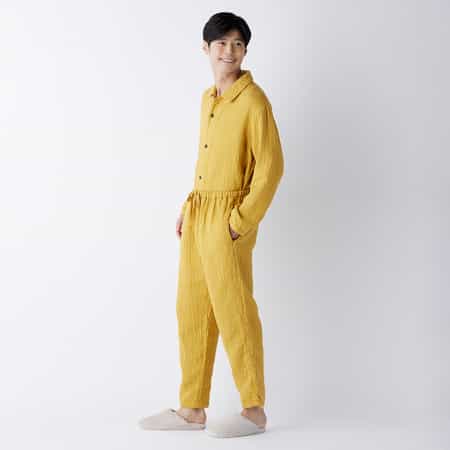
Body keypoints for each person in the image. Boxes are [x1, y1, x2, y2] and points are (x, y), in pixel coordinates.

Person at [139, 11, 284, 438]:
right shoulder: (209, 99)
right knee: (192, 308)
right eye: (221, 43)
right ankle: (192, 408)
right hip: (200, 213)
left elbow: (271, 168)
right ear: (205, 49)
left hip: (229, 219)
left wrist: (240, 221)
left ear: (245, 50)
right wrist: (190, 205)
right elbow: (208, 158)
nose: (229, 51)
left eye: (238, 44)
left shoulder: (254, 101)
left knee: (235, 311)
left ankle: (254, 410)